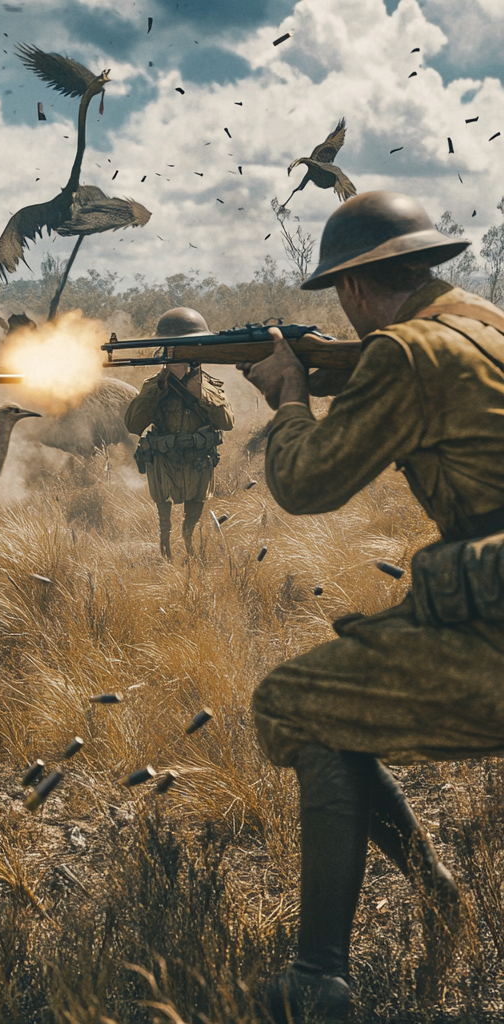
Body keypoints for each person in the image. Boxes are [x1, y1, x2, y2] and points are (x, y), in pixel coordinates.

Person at [238, 190, 504, 1023]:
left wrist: (288, 393)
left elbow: (307, 483)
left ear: (352, 289)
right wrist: (342, 366)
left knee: (297, 704)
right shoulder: (483, 322)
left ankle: (319, 976)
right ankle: (437, 895)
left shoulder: (402, 354)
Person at [124, 307, 234, 559]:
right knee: (165, 522)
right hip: (165, 464)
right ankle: (166, 555)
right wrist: (159, 388)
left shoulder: (208, 385)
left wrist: (200, 393)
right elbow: (133, 424)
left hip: (198, 463)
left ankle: (192, 552)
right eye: (172, 350)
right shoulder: (154, 385)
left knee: (192, 520)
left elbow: (227, 422)